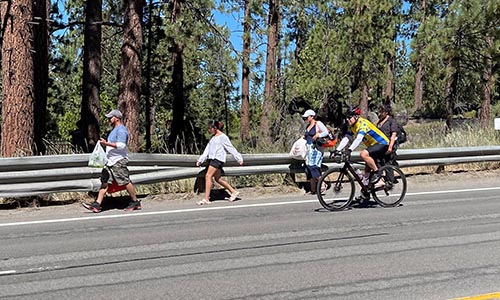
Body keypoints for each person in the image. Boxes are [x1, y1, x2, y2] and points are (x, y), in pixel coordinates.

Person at [82, 109, 141, 213]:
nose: (109, 119)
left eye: (110, 117)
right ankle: (97, 204)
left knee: (125, 181)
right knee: (105, 182)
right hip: (110, 162)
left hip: (118, 161)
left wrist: (106, 144)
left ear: (116, 118)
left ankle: (135, 202)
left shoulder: (121, 130)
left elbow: (121, 146)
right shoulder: (114, 130)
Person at [336, 106, 390, 191]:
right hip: (373, 145)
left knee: (363, 154)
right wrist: (337, 150)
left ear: (356, 116)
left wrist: (350, 150)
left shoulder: (363, 124)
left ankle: (377, 174)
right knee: (367, 167)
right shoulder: (352, 126)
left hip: (382, 143)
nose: (347, 120)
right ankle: (366, 189)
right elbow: (346, 138)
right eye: (346, 118)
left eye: (349, 117)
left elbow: (359, 138)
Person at [196, 120, 243, 205]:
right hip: (213, 159)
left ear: (215, 128)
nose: (209, 130)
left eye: (210, 128)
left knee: (208, 176)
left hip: (218, 159)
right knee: (218, 179)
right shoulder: (213, 137)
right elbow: (207, 149)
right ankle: (233, 192)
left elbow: (230, 148)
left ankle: (206, 198)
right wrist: (201, 159)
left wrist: (238, 158)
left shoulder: (223, 137)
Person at [302, 109, 329, 195]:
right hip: (309, 149)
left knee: (313, 167)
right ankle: (313, 189)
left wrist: (318, 135)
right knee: (309, 168)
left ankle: (322, 184)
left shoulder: (318, 124)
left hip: (317, 149)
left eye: (307, 117)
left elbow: (326, 132)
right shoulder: (307, 126)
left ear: (312, 116)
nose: (306, 119)